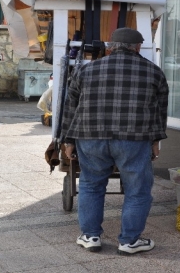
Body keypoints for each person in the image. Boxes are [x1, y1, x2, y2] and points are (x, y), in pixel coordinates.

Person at [61, 27, 169, 255]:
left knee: (91, 185)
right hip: (134, 138)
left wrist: (68, 139)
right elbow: (159, 111)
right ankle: (129, 241)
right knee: (137, 190)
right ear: (138, 47)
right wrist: (156, 140)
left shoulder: (86, 70)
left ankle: (90, 237)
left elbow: (71, 107)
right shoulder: (154, 72)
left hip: (90, 137)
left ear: (111, 46)